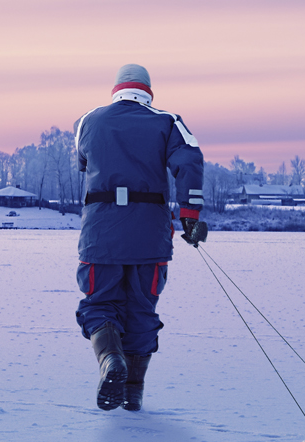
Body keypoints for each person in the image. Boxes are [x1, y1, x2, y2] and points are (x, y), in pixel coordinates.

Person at [73, 64, 208, 411]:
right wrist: (190, 215)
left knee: (100, 303)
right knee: (142, 311)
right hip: (150, 237)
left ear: (116, 89)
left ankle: (109, 361)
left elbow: (84, 164)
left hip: (100, 235)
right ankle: (133, 395)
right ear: (148, 91)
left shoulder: (88, 121)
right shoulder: (167, 121)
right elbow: (190, 160)